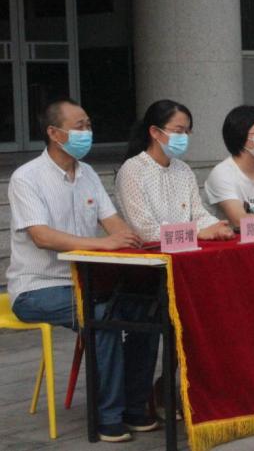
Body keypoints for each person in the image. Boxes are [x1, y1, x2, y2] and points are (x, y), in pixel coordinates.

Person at [7, 99, 159, 442]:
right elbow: (42, 236)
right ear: (54, 133)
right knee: (102, 315)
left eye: (89, 125)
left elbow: (113, 223)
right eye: (79, 126)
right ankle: (108, 416)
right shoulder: (26, 178)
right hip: (38, 288)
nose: (87, 132)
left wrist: (126, 237)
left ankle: (135, 407)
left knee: (147, 309)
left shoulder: (88, 174)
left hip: (89, 282)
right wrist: (102, 244)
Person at [115, 99, 234, 242]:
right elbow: (145, 230)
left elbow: (198, 214)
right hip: (151, 252)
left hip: (186, 246)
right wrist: (196, 233)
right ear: (155, 132)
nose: (184, 137)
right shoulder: (132, 170)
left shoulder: (183, 169)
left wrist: (216, 226)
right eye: (178, 131)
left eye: (187, 132)